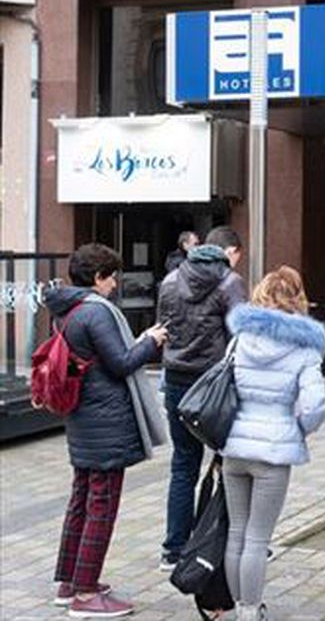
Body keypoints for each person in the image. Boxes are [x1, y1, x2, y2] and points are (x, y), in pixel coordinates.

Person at [46, 244, 169, 618]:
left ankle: (70, 583)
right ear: (98, 278)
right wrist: (150, 341)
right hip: (106, 423)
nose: (116, 283)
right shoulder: (95, 313)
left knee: (81, 501)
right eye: (112, 276)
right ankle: (85, 594)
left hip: (83, 420)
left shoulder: (66, 311)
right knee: (101, 507)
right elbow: (121, 363)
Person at [221, 266, 325, 621]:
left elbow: (224, 389)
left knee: (236, 531)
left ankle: (238, 606)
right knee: (257, 537)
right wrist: (297, 429)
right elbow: (314, 406)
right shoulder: (304, 348)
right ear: (297, 299)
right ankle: (250, 612)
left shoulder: (239, 339)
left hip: (234, 446)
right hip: (274, 450)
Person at [157, 226, 247, 570]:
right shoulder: (230, 282)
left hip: (177, 381)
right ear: (229, 253)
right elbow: (242, 334)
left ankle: (174, 549)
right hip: (216, 385)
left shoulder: (169, 281)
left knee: (183, 466)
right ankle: (223, 542)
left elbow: (163, 329)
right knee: (229, 464)